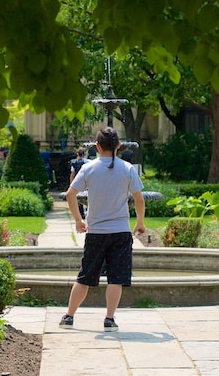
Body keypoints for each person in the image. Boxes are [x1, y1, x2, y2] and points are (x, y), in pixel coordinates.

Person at [60, 127, 146, 332]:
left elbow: (70, 194)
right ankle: (109, 319)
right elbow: (139, 199)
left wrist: (78, 220)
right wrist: (140, 223)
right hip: (121, 232)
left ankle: (69, 316)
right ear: (118, 145)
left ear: (97, 146)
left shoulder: (89, 168)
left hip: (96, 232)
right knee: (116, 278)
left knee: (85, 277)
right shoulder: (127, 168)